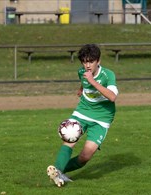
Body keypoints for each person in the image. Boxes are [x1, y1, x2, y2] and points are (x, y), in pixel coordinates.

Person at [47, 44, 118, 187]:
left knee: (85, 156)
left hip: (102, 119)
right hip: (82, 111)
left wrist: (92, 81)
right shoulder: (81, 72)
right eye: (84, 62)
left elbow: (112, 97)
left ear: (98, 61)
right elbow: (83, 81)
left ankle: (60, 171)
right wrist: (81, 88)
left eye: (91, 61)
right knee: (69, 139)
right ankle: (57, 172)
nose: (87, 65)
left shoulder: (108, 75)